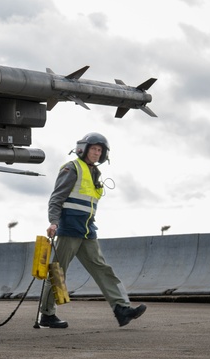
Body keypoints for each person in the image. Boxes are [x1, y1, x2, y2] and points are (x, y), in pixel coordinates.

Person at [37, 132, 146, 329]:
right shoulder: (72, 168)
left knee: (102, 268)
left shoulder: (95, 173)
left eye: (99, 150)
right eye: (93, 149)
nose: (96, 153)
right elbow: (56, 198)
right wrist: (54, 222)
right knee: (58, 272)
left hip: (87, 231)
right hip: (69, 229)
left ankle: (122, 309)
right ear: (84, 149)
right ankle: (46, 315)